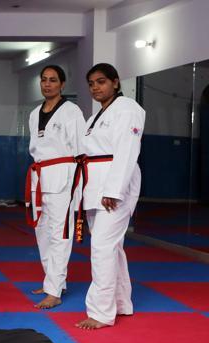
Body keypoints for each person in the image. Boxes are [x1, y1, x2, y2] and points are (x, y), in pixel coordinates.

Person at [75, 63, 145, 329]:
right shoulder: (97, 116)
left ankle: (101, 313)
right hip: (94, 184)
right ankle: (122, 303)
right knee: (112, 248)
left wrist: (114, 190)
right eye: (91, 83)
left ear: (115, 82)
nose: (95, 87)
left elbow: (127, 151)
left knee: (102, 248)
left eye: (101, 82)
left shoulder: (127, 109)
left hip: (113, 186)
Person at [26, 65, 86, 309]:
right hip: (39, 176)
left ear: (62, 84)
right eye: (44, 80)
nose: (47, 84)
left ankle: (54, 291)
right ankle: (53, 281)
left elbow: (82, 150)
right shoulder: (33, 114)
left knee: (59, 233)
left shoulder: (72, 111)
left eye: (52, 80)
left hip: (63, 175)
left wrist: (80, 186)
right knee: (41, 231)